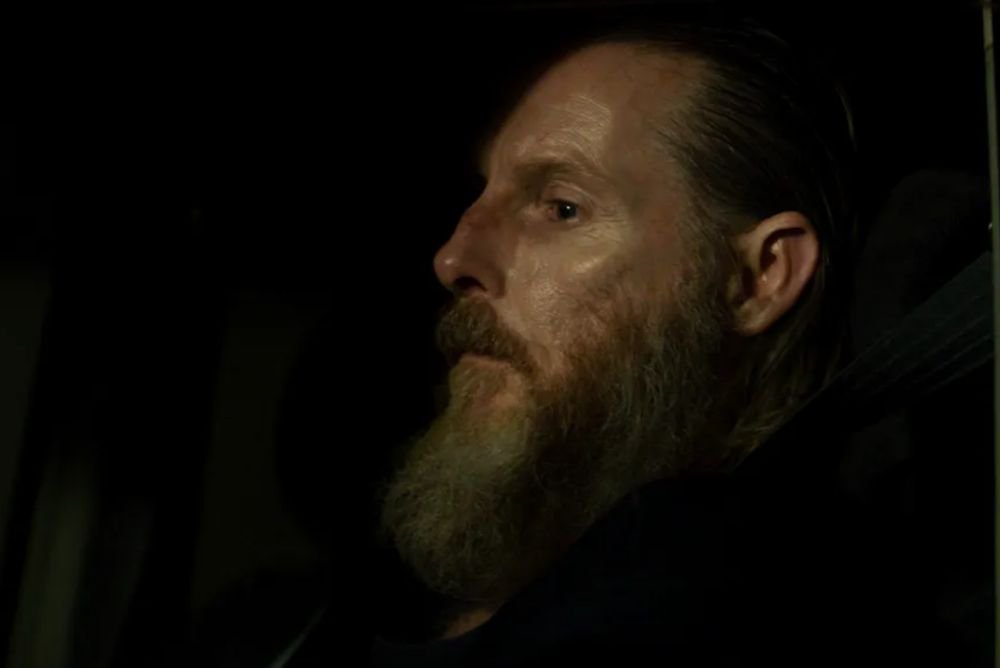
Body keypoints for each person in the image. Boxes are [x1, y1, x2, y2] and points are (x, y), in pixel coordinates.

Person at [365, 15, 921, 667]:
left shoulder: (697, 614)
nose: (453, 258)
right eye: (480, 195)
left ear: (757, 277)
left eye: (562, 208)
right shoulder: (539, 588)